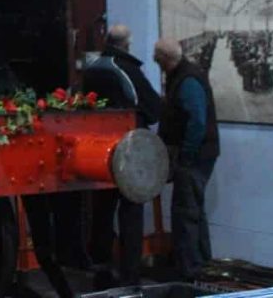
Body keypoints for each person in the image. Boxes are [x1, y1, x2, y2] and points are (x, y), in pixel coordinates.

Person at [84, 24, 164, 286]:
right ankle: (130, 276)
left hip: (98, 151)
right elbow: (152, 108)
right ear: (127, 44)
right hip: (128, 151)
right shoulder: (127, 70)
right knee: (131, 214)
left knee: (103, 212)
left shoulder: (92, 68)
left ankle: (101, 268)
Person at [154, 37, 219, 280]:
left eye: (157, 58)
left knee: (185, 213)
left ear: (165, 59)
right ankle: (202, 264)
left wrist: (187, 155)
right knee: (194, 211)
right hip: (199, 154)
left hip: (194, 157)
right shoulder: (183, 75)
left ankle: (190, 271)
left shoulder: (187, 80)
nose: (154, 61)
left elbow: (197, 122)